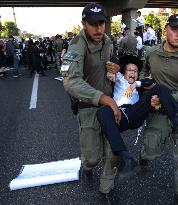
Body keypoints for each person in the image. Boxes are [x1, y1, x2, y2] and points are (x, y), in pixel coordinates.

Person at [97, 55, 178, 179]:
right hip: (120, 114)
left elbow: (150, 82)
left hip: (136, 112)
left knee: (160, 88)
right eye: (130, 70)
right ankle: (124, 155)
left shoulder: (139, 85)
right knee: (103, 111)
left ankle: (177, 122)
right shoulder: (118, 78)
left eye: (135, 71)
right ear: (124, 72)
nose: (132, 73)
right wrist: (116, 68)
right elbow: (111, 62)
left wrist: (135, 84)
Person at [139, 14, 178, 204]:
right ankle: (144, 154)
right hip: (156, 111)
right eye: (175, 30)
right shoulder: (151, 53)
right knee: (152, 148)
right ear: (166, 29)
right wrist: (146, 89)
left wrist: (167, 100)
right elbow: (144, 72)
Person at [61, 3, 121, 196]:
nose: (98, 28)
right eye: (93, 24)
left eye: (102, 23)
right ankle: (86, 165)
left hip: (108, 104)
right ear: (84, 24)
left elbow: (109, 65)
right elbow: (70, 81)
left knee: (113, 153)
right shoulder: (77, 45)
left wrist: (114, 69)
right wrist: (102, 98)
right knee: (93, 158)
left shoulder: (108, 41)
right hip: (88, 105)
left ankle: (106, 191)